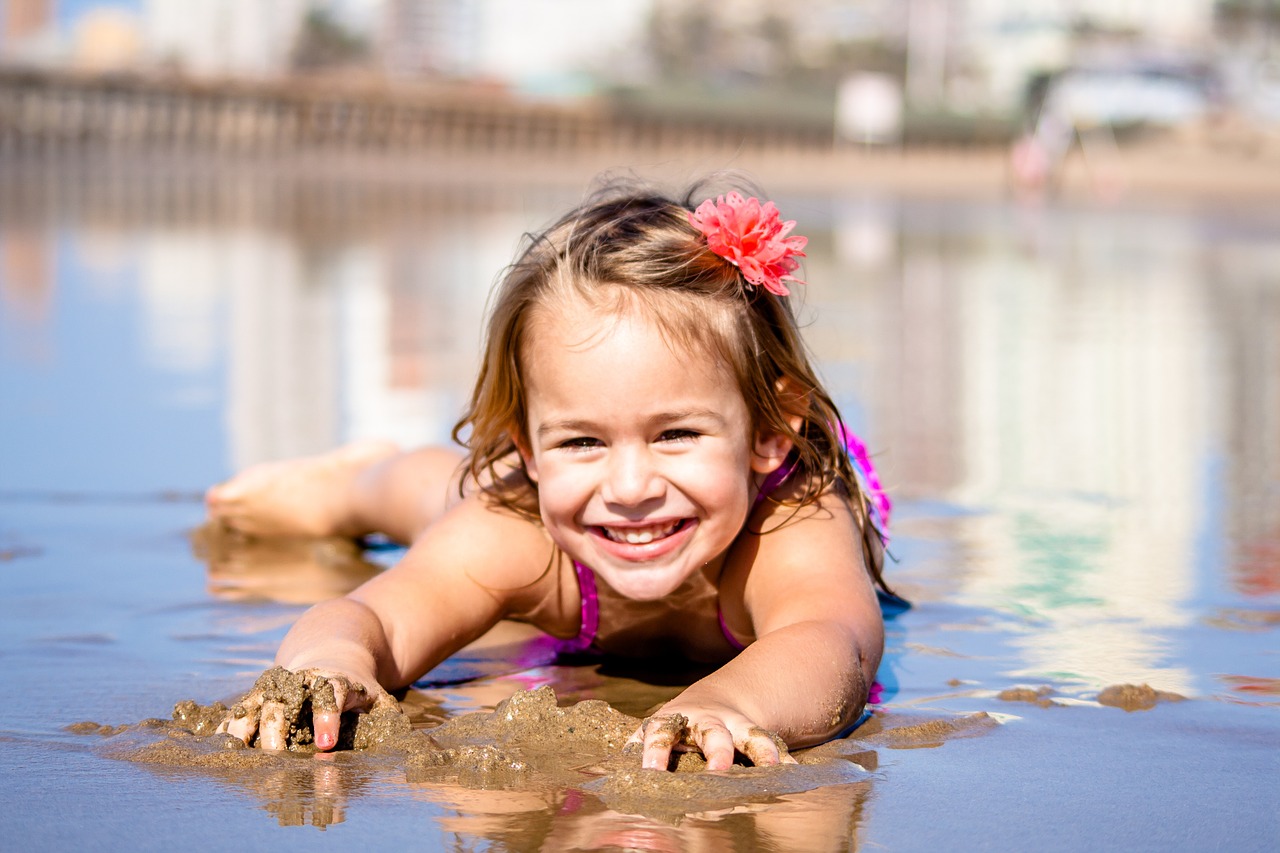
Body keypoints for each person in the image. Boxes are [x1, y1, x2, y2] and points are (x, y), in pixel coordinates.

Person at [207, 178, 895, 771]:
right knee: (446, 498)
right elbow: (376, 618)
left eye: (676, 433)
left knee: (478, 501)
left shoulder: (794, 520)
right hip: (519, 501)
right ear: (531, 449)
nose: (630, 488)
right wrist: (331, 661)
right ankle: (349, 484)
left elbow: (832, 641)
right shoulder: (524, 519)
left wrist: (730, 701)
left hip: (738, 488)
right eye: (582, 439)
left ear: (770, 431)